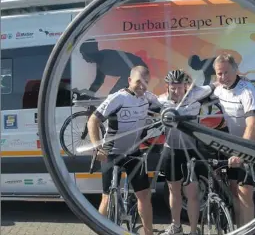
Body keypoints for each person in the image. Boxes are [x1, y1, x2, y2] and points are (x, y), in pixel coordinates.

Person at [87, 66, 159, 235]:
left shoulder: (148, 98)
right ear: (129, 80)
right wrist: (97, 148)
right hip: (111, 153)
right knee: (107, 196)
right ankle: (101, 230)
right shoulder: (117, 98)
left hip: (134, 153)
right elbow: (92, 121)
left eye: (146, 83)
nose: (142, 87)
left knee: (144, 196)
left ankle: (148, 233)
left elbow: (166, 107)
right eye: (138, 82)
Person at [212, 53, 255, 227]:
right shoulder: (219, 88)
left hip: (252, 143)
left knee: (245, 193)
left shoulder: (247, 89)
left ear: (236, 70)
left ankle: (249, 231)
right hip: (234, 143)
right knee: (234, 191)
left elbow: (253, 124)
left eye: (226, 72)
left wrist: (242, 153)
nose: (223, 77)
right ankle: (238, 229)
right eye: (219, 74)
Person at [159, 69, 216, 235]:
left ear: (186, 85)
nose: (177, 91)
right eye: (173, 87)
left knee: (192, 194)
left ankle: (193, 231)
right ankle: (176, 227)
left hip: (190, 151)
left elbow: (216, 85)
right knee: (174, 192)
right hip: (170, 151)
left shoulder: (195, 94)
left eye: (180, 87)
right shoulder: (161, 100)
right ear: (167, 87)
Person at [80, 39, 148, 95]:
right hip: (134, 71)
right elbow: (99, 81)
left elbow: (128, 71)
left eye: (83, 55)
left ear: (90, 54)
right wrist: (90, 93)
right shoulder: (101, 60)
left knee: (114, 96)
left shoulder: (107, 57)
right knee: (114, 96)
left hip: (137, 70)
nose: (83, 58)